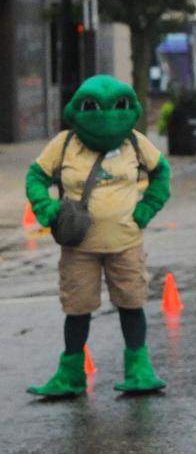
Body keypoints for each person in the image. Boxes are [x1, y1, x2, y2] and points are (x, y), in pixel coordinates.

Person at [26, 75, 171, 397]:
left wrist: (147, 208)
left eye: (118, 106)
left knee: (132, 303)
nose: (106, 115)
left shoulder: (134, 142)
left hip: (126, 243)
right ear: (77, 109)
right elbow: (36, 176)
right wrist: (46, 208)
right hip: (79, 246)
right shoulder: (64, 144)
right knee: (77, 308)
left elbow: (161, 172)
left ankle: (139, 370)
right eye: (93, 107)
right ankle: (70, 374)